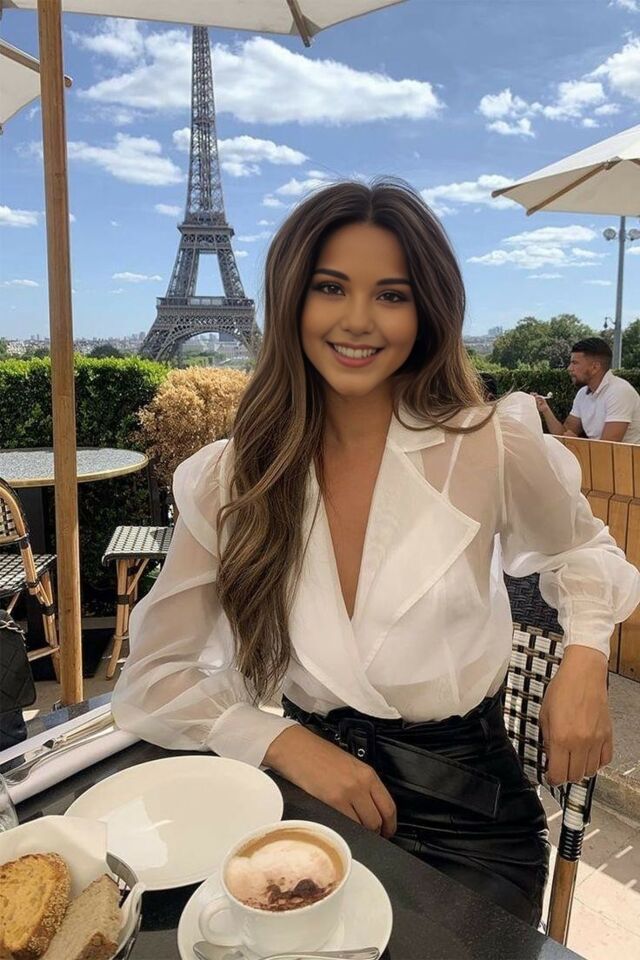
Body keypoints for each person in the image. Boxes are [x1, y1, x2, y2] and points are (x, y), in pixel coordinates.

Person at [112, 179, 640, 929]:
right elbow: (152, 677)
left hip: (467, 815)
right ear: (291, 298)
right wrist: (279, 739)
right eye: (331, 287)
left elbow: (585, 551)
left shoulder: (491, 445)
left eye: (392, 295)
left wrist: (585, 660)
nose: (358, 319)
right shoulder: (231, 478)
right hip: (301, 799)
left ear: (427, 312)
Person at [533, 337, 640, 443]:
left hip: (624, 455)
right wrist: (545, 409)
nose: (569, 368)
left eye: (575, 363)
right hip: (601, 454)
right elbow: (564, 434)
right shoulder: (583, 394)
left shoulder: (619, 392)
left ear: (595, 367)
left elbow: (609, 447)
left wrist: (576, 443)